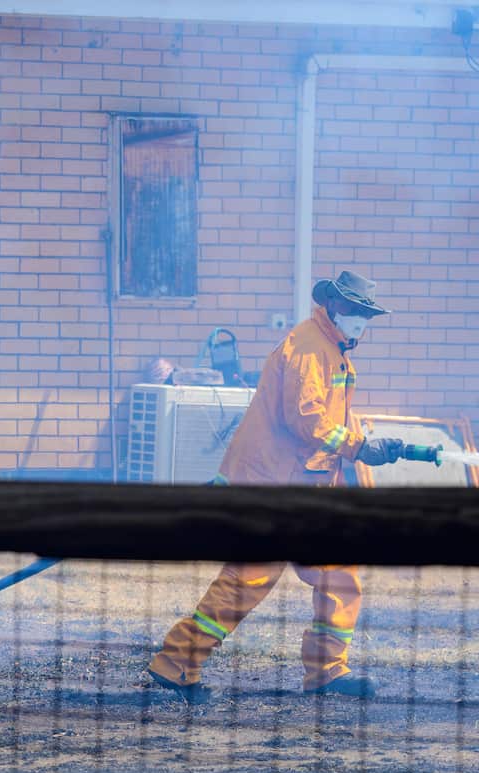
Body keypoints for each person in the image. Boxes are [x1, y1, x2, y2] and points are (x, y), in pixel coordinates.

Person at [147, 271, 405, 704]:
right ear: (336, 307)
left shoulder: (334, 351)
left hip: (304, 488)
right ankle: (174, 665)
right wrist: (359, 446)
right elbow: (305, 420)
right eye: (358, 311)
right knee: (248, 578)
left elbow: (331, 418)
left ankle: (327, 670)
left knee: (339, 572)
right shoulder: (308, 348)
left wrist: (369, 439)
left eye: (367, 313)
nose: (362, 320)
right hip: (271, 487)